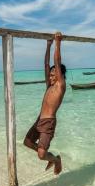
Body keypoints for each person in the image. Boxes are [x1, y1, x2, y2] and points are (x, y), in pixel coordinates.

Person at [23, 32, 66, 175]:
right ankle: (48, 155)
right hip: (39, 119)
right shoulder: (49, 85)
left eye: (54, 74)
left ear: (60, 76)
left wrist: (57, 43)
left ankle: (55, 160)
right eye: (51, 74)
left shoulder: (60, 86)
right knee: (28, 142)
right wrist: (48, 45)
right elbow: (47, 64)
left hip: (48, 122)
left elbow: (56, 61)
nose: (51, 76)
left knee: (41, 154)